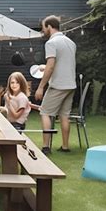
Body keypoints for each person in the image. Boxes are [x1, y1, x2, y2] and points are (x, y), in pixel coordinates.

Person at [35, 15, 76, 155]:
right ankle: (65, 146)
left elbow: (51, 66)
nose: (42, 30)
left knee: (45, 112)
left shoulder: (51, 43)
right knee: (64, 115)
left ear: (49, 27)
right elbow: (61, 63)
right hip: (71, 84)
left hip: (58, 85)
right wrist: (44, 67)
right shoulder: (71, 42)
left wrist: (41, 87)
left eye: (43, 27)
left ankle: (46, 147)